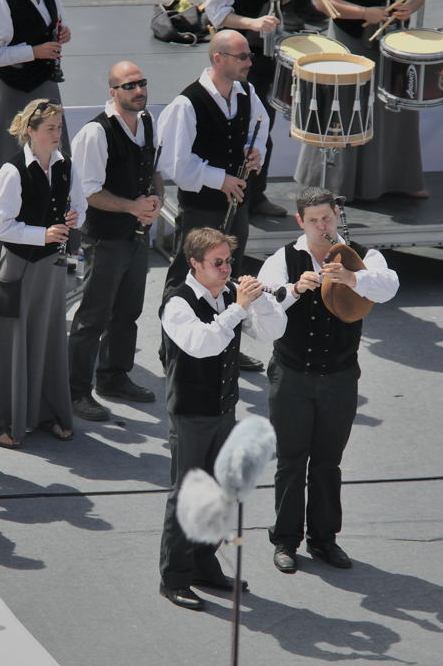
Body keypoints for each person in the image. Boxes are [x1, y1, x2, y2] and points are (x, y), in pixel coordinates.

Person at [257, 186, 398, 573]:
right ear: (300, 221)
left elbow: (389, 287)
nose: (322, 226)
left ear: (336, 215)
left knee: (327, 463)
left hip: (338, 376)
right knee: (290, 461)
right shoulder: (282, 259)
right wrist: (294, 290)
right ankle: (286, 539)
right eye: (314, 220)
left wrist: (353, 279)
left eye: (327, 218)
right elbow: (264, 309)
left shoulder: (362, 256)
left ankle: (324, 540)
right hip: (291, 375)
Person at [158, 227, 286, 611]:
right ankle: (174, 578)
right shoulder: (177, 303)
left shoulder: (230, 295)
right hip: (191, 414)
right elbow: (203, 344)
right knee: (187, 495)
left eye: (229, 260)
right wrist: (238, 307)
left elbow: (273, 330)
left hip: (222, 409)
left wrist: (259, 301)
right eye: (218, 262)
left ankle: (202, 563)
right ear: (195, 264)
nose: (227, 268)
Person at [0, 99, 86, 449]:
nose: (57, 134)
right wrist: (42, 234)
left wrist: (72, 217)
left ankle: (46, 411)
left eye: (59, 127)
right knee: (10, 343)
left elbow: (78, 203)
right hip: (19, 268)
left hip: (50, 269)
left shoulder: (65, 166)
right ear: (30, 132)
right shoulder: (12, 171)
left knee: (48, 341)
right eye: (50, 128)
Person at [156, 29, 270, 371]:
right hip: (202, 209)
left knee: (228, 276)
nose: (250, 63)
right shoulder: (187, 103)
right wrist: (219, 179)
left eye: (249, 56)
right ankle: (173, 349)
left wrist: (256, 152)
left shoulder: (246, 91)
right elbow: (175, 163)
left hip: (236, 205)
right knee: (184, 280)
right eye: (242, 57)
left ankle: (226, 347)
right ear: (218, 58)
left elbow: (260, 126)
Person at [67, 61, 161, 422]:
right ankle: (76, 391)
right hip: (105, 239)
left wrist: (155, 201)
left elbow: (152, 168)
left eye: (141, 83)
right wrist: (131, 206)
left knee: (128, 312)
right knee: (93, 316)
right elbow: (88, 192)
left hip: (137, 236)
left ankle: (114, 377)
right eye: (128, 86)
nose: (138, 90)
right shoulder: (96, 133)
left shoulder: (148, 121)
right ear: (113, 92)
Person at [304, 0, 428, 201]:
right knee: (346, 108)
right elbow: (321, 0)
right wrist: (363, 12)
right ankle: (339, 183)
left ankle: (401, 180)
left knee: (397, 106)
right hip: (351, 40)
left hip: (393, 40)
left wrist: (409, 8)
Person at [206, 0, 316, 218]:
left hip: (269, 52)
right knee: (232, 131)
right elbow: (217, 13)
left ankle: (255, 196)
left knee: (262, 129)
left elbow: (273, 3)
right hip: (236, 58)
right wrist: (253, 23)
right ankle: (227, 196)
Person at [0, 0, 72, 180]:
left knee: (53, 153)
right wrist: (33, 52)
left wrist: (65, 33)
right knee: (5, 157)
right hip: (10, 91)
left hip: (45, 84)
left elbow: (58, 22)